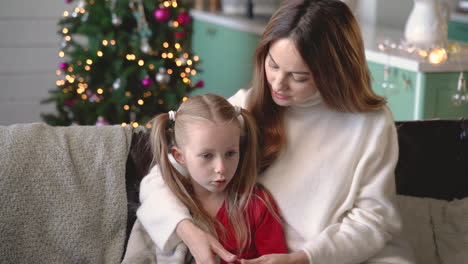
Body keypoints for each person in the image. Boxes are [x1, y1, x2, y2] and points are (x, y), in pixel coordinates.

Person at [137, 0, 416, 263]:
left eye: (299, 76)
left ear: (336, 72)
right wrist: (190, 232)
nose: (278, 84)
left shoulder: (371, 124)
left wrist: (303, 258)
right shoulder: (245, 108)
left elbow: (374, 222)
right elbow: (157, 182)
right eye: (273, 65)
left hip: (341, 256)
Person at [141, 93, 288, 263]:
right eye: (206, 156)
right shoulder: (169, 202)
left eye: (230, 153)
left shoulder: (256, 205)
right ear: (179, 156)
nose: (221, 168)